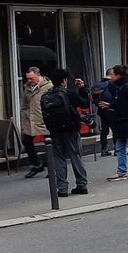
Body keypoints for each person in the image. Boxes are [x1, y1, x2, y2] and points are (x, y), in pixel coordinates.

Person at [41, 69, 89, 197]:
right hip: (71, 129)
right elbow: (85, 103)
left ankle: (62, 188)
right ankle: (81, 184)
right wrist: (82, 88)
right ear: (64, 81)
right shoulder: (68, 93)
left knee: (58, 158)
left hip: (55, 131)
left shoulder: (46, 96)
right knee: (75, 155)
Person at [19, 67, 52, 178]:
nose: (29, 81)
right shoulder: (27, 87)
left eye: (31, 78)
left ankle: (52, 167)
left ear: (38, 75)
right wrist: (24, 116)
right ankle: (37, 164)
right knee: (26, 140)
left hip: (44, 118)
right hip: (31, 119)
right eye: (27, 78)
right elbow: (24, 104)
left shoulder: (48, 86)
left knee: (49, 142)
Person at [91, 69, 118, 157]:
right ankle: (117, 149)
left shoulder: (99, 84)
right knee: (116, 130)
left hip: (102, 111)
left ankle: (104, 149)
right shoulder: (112, 84)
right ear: (111, 74)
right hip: (112, 110)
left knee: (104, 130)